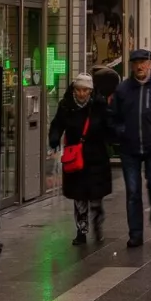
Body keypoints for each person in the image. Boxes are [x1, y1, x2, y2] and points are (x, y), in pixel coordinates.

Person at [111, 47, 151, 246]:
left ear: (150, 64)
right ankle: (135, 234)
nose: (140, 66)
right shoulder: (123, 89)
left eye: (143, 62)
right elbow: (114, 117)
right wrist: (121, 131)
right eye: (136, 63)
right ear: (132, 66)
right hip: (130, 148)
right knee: (133, 191)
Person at [49, 73, 113, 245]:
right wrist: (54, 139)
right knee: (79, 197)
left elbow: (109, 126)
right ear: (74, 89)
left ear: (91, 91)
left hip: (96, 156)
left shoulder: (99, 106)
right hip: (75, 157)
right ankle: (81, 230)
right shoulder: (67, 106)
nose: (81, 93)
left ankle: (97, 222)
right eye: (78, 90)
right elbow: (57, 124)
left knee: (95, 196)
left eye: (85, 90)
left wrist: (114, 137)